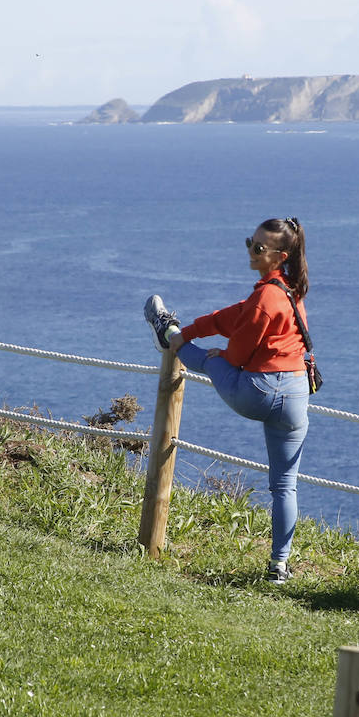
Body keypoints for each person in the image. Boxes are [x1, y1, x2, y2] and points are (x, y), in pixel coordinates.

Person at [144, 217, 311, 584]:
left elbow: (236, 353)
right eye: (250, 242)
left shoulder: (265, 298)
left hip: (258, 394)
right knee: (285, 486)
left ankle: (167, 334)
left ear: (279, 256)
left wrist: (205, 345)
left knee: (208, 359)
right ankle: (279, 568)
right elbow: (231, 317)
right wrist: (199, 328)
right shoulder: (290, 290)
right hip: (297, 394)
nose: (251, 250)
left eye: (259, 247)